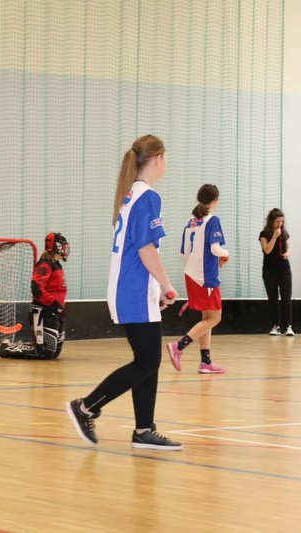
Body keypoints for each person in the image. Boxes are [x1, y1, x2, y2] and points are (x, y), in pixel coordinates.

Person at [66, 134, 183, 450]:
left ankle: (144, 430)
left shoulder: (130, 195)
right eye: (166, 157)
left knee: (147, 360)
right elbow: (145, 249)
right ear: (157, 158)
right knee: (147, 362)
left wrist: (155, 289)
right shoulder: (148, 197)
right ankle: (86, 407)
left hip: (131, 289)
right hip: (133, 290)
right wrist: (167, 284)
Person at [166, 185, 229, 374]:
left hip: (191, 274)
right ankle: (179, 346)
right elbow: (216, 249)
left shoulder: (191, 222)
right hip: (205, 277)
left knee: (206, 318)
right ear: (215, 200)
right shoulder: (212, 220)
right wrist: (226, 254)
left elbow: (184, 253)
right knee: (215, 318)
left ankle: (205, 362)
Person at [0, 232, 69, 360]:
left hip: (56, 313)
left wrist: (61, 307)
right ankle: (4, 348)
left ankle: (28, 345)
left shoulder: (57, 265)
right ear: (57, 247)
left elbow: (57, 291)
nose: (66, 250)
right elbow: (36, 288)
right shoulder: (45, 265)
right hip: (44, 312)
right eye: (64, 247)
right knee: (45, 352)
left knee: (54, 354)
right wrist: (54, 304)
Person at [259, 208, 293, 336]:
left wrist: (287, 253)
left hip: (284, 270)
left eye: (281, 221)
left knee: (286, 299)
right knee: (272, 299)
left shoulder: (283, 233)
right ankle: (275, 326)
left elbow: (287, 247)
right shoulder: (264, 234)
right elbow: (267, 250)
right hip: (269, 271)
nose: (280, 224)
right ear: (271, 221)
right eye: (277, 221)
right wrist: (274, 236)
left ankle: (288, 326)